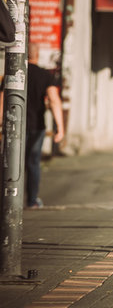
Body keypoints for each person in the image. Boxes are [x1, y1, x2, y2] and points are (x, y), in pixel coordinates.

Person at [0, 46, 65, 208]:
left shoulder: (13, 73)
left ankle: (8, 200)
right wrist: (60, 127)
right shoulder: (45, 76)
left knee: (11, 162)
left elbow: (3, 99)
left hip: (13, 125)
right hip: (37, 125)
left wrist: (1, 121)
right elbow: (54, 100)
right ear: (37, 55)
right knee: (33, 162)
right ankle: (32, 200)